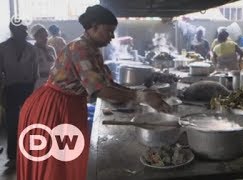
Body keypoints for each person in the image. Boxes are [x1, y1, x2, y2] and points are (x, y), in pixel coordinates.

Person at [17, 5, 171, 180]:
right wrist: (141, 97)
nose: (112, 37)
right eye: (108, 31)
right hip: (52, 108)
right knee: (55, 167)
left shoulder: (92, 49)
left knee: (67, 162)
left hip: (68, 104)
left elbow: (107, 83)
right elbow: (99, 89)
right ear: (94, 27)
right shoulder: (80, 48)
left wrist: (143, 94)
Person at [0, 20, 38, 168]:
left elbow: (36, 72)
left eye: (24, 31)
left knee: (29, 121)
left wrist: (34, 90)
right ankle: (13, 154)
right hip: (10, 88)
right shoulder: (3, 48)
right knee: (12, 122)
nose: (23, 33)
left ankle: (29, 151)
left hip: (28, 88)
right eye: (19, 30)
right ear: (12, 31)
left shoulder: (31, 48)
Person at [31, 24, 57, 89]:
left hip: (53, 82)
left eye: (46, 36)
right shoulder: (32, 50)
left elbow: (56, 65)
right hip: (39, 83)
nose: (45, 38)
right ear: (35, 37)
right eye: (42, 36)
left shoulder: (51, 49)